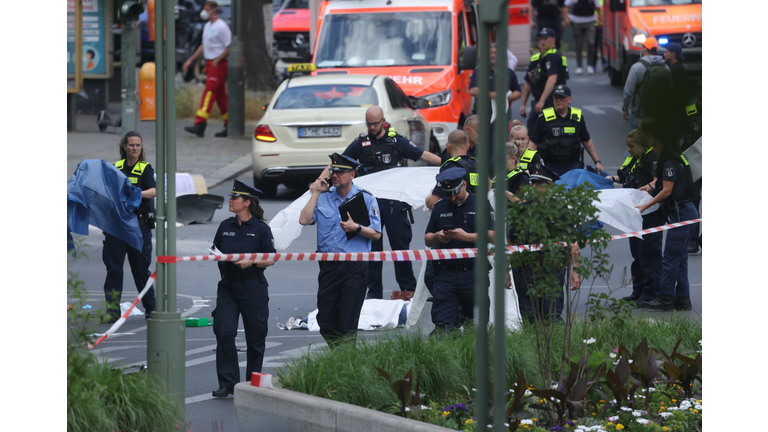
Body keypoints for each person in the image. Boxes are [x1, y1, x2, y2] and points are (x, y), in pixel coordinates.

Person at [318, 106, 439, 299]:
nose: (372, 127)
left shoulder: (396, 141)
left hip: (395, 205)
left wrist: (448, 166)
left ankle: (409, 291)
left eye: (375, 123)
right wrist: (319, 180)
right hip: (368, 206)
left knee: (401, 250)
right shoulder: (361, 143)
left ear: (383, 121)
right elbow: (337, 163)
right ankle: (373, 294)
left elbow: (422, 155)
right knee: (372, 252)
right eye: (369, 124)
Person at [300, 154, 382, 345]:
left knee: (347, 321)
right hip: (328, 266)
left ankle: (346, 365)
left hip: (355, 266)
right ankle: (339, 356)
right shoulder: (323, 197)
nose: (334, 175)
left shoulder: (366, 198)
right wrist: (316, 192)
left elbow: (376, 234)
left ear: (352, 174)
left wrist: (357, 228)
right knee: (326, 320)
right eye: (333, 171)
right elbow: (304, 220)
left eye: (340, 172)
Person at [211, 180, 276, 398]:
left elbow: (271, 258)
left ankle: (251, 383)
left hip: (252, 286)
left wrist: (251, 263)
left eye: (234, 198)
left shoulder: (261, 229)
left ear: (246, 202)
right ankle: (228, 383)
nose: (230, 200)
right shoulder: (225, 226)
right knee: (225, 331)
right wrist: (220, 259)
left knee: (256, 336)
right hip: (228, 287)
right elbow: (215, 251)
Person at [635, 118, 697, 312]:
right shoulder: (678, 158)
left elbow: (667, 191)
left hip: (680, 214)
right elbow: (666, 183)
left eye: (656, 145)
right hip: (688, 212)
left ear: (664, 145)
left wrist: (645, 206)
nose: (653, 149)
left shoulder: (669, 162)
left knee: (670, 258)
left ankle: (665, 297)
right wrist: (651, 186)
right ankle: (682, 298)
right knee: (680, 258)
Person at [507, 164, 580, 323]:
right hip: (526, 272)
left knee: (551, 316)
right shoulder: (522, 210)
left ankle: (554, 347)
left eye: (539, 184)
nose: (534, 187)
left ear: (550, 186)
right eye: (532, 183)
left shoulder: (560, 210)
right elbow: (511, 242)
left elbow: (572, 241)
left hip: (552, 271)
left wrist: (576, 269)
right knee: (528, 317)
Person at [425, 167, 495, 332]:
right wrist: (438, 236)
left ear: (464, 185)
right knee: (443, 324)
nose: (453, 197)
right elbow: (427, 238)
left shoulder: (480, 203)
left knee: (476, 323)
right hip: (445, 273)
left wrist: (468, 237)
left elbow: (495, 234)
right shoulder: (440, 206)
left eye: (455, 192)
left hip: (473, 272)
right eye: (448, 193)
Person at [605, 130, 663, 307]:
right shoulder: (635, 158)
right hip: (635, 212)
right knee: (637, 253)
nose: (628, 150)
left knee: (649, 253)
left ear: (642, 145)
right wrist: (610, 179)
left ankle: (652, 293)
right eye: (627, 146)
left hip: (649, 212)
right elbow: (625, 177)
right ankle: (638, 291)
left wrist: (647, 187)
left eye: (632, 146)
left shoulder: (651, 158)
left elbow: (657, 181)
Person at [103, 131, 156, 322]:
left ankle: (151, 308)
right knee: (114, 270)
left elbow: (154, 191)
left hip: (138, 226)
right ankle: (112, 311)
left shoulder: (145, 168)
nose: (135, 148)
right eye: (131, 145)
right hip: (116, 226)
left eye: (138, 145)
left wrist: (135, 194)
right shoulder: (115, 167)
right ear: (124, 146)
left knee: (141, 270)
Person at [529, 84, 604, 176]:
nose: (559, 100)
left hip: (572, 166)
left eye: (562, 97)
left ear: (569, 99)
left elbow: (587, 142)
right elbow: (533, 143)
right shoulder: (543, 117)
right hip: (548, 166)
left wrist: (597, 162)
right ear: (553, 100)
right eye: (556, 97)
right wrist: (527, 165)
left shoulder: (577, 117)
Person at [469, 43, 522, 171]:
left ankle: (494, 174)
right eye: (491, 53)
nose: (492, 55)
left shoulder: (508, 73)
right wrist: (491, 95)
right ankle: (482, 173)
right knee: (483, 145)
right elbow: (472, 90)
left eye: (495, 53)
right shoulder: (481, 71)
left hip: (502, 117)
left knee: (498, 146)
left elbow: (518, 91)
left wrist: (506, 97)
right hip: (484, 116)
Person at [183, 1, 232, 138]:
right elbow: (204, 46)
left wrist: (216, 60)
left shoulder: (222, 27)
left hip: (219, 64)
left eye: (206, 9)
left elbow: (229, 47)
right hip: (211, 64)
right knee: (221, 97)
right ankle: (230, 124)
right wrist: (191, 60)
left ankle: (200, 123)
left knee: (209, 93)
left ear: (213, 10)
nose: (203, 12)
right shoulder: (207, 26)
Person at [622, 37, 669, 133]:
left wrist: (625, 107)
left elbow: (628, 91)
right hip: (660, 110)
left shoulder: (637, 67)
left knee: (634, 141)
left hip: (640, 110)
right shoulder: (666, 67)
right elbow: (670, 89)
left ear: (644, 49)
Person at [426, 130, 479, 210]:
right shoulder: (477, 165)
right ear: (467, 147)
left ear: (447, 146)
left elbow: (432, 203)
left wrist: (430, 194)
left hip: (456, 218)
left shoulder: (450, 168)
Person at [527, 28, 569, 123]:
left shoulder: (551, 57)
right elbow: (564, 78)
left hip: (548, 101)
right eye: (540, 39)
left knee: (535, 131)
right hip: (558, 100)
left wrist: (541, 101)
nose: (542, 42)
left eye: (545, 39)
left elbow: (552, 79)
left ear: (553, 40)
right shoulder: (559, 55)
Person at [562, 0, 601, 75]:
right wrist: (566, 18)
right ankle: (579, 66)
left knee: (591, 43)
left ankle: (589, 65)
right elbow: (566, 5)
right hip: (577, 21)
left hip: (590, 21)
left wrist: (599, 19)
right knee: (578, 45)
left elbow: (598, 7)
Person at [663, 42, 691, 136]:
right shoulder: (679, 68)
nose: (664, 54)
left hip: (674, 111)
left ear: (673, 54)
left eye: (666, 52)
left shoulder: (674, 70)